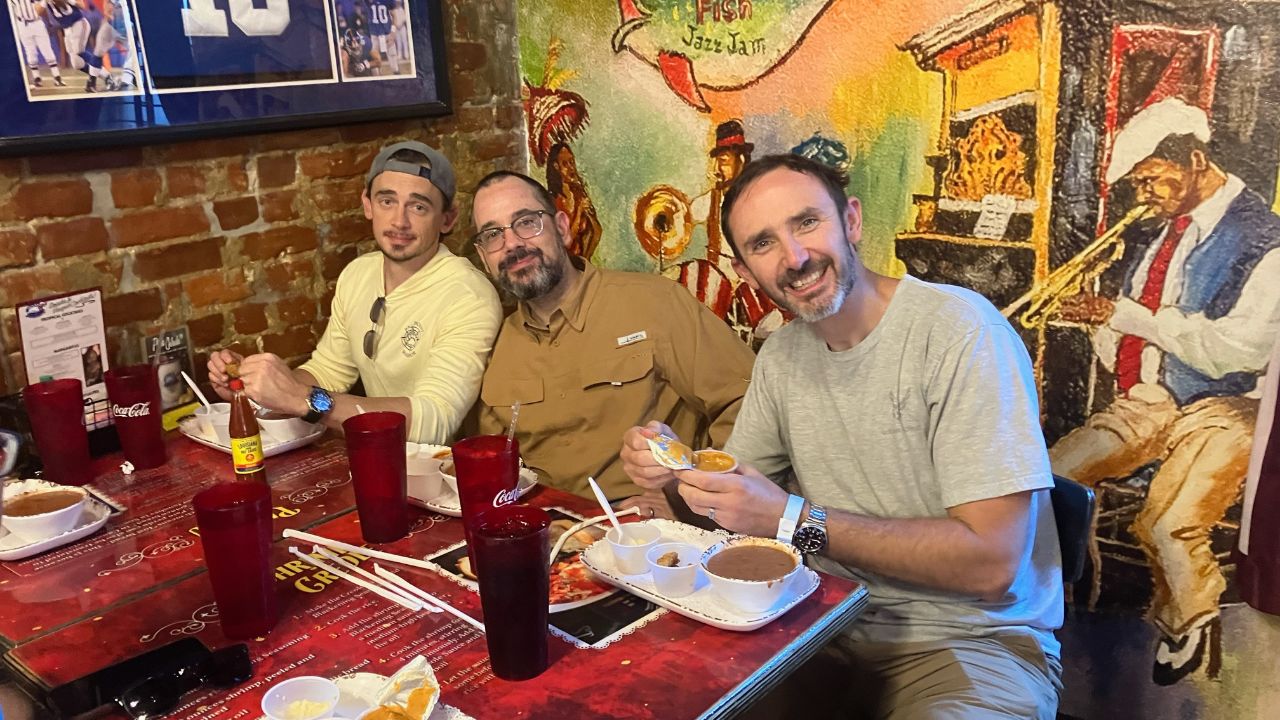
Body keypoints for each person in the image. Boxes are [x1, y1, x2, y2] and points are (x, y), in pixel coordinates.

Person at [622, 154, 1063, 719]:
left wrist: (793, 519)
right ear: (747, 269)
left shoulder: (959, 332)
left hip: (967, 645)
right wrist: (675, 469)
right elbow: (731, 507)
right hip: (811, 627)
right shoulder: (781, 354)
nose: (795, 258)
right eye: (763, 243)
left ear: (851, 221)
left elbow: (992, 562)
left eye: (807, 223)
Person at [1050, 97, 1280, 684]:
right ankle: (1065, 599)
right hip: (1155, 398)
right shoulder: (1161, 236)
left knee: (1166, 521)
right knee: (1049, 479)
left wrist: (1126, 316)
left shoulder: (1267, 241)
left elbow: (1241, 351)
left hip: (1231, 406)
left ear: (1196, 160)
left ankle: (1188, 622)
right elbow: (1133, 326)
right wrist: (1100, 321)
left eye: (1152, 179)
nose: (1144, 194)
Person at [468, 170, 754, 519]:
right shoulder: (494, 343)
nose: (512, 244)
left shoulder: (655, 303)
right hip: (545, 534)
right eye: (493, 234)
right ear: (484, 257)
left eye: (527, 222)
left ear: (562, 227)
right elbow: (493, 464)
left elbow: (747, 405)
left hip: (647, 537)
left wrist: (689, 499)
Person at [208, 141, 502, 445]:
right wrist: (259, 388)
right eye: (387, 201)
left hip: (445, 476)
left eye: (418, 206)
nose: (399, 221)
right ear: (367, 204)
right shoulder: (358, 274)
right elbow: (327, 371)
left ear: (447, 218)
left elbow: (435, 421)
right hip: (375, 457)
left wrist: (303, 399)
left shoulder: (469, 295)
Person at [544, 143, 602, 261]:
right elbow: (564, 241)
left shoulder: (578, 194)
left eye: (571, 162)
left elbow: (596, 231)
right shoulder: (553, 201)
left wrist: (587, 260)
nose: (571, 168)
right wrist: (579, 211)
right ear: (556, 166)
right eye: (565, 164)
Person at [10, 0, 64, 89]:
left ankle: (57, 77)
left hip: (37, 22)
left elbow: (42, 8)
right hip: (22, 24)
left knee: (47, 49)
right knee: (30, 51)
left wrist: (48, 22)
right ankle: (37, 78)